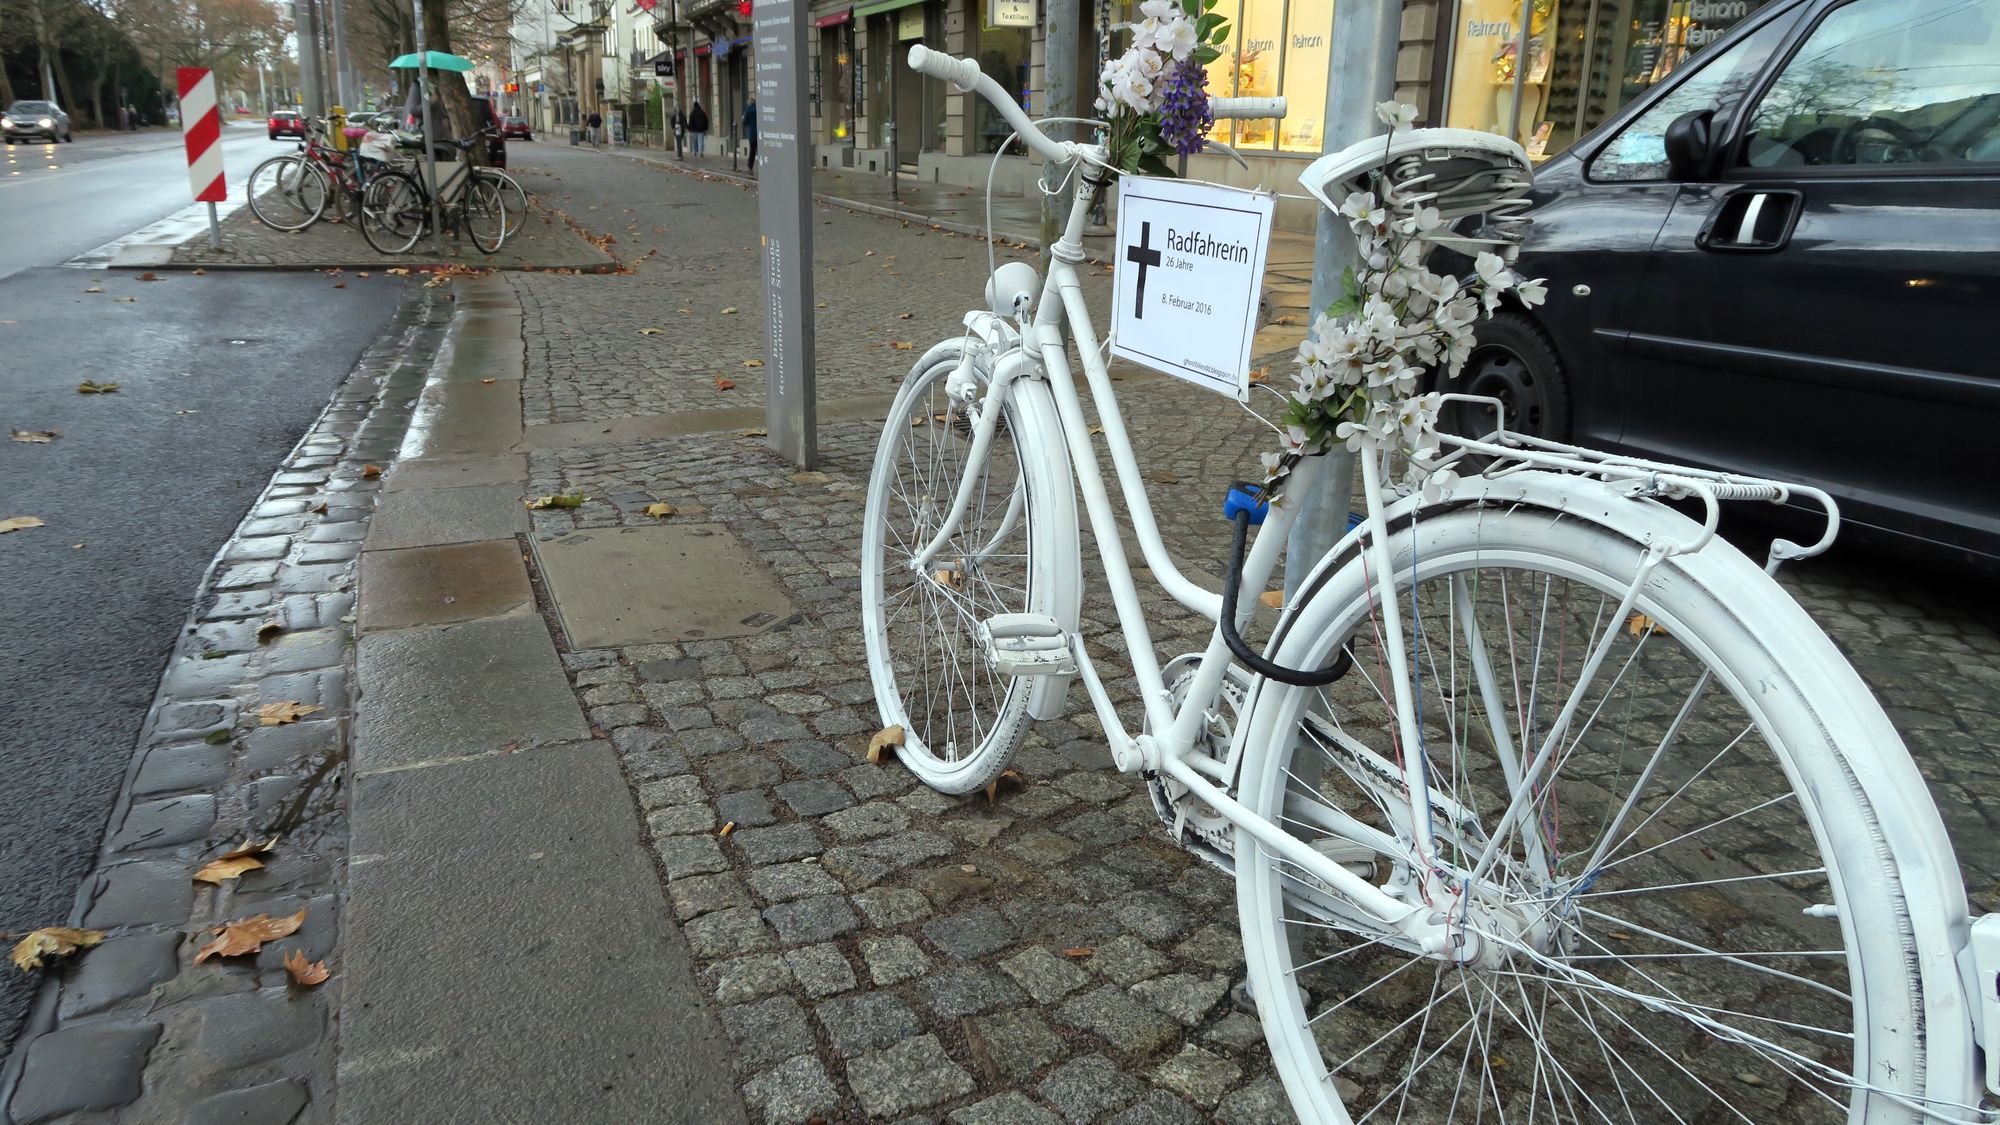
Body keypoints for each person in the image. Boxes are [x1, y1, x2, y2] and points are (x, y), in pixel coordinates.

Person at [743, 97, 757, 167]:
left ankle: (750, 164)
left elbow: (744, 122)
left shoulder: (748, 111)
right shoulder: (757, 109)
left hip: (751, 134)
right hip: (759, 133)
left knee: (752, 150)